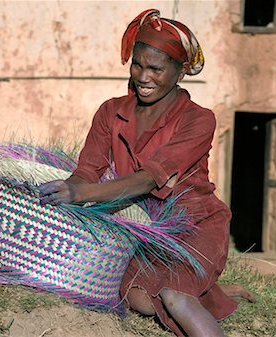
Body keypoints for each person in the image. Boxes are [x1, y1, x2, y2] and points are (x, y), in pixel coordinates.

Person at [38, 9, 253, 337]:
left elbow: (148, 178)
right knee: (138, 298)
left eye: (156, 68)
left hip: (194, 224)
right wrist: (62, 192)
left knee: (175, 296)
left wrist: (79, 194)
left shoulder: (199, 120)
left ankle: (197, 287)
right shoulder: (111, 113)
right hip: (146, 229)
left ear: (180, 72)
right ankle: (210, 290)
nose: (143, 76)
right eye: (138, 64)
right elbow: (86, 173)